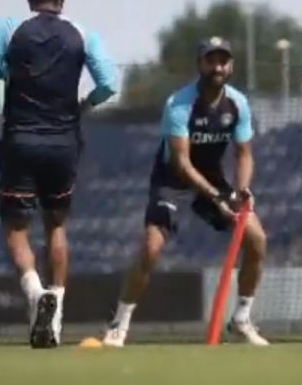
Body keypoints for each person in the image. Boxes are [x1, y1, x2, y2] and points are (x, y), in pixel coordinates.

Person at [0, 0, 116, 348]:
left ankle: (37, 297)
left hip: (19, 141)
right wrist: (85, 105)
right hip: (65, 143)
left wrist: (9, 70)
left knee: (16, 229)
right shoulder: (83, 34)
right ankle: (58, 310)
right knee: (56, 225)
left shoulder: (8, 29)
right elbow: (110, 84)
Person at [102, 37, 269, 347]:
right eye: (210, 60)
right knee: (151, 249)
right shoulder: (179, 104)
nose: (217, 66)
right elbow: (181, 162)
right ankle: (119, 324)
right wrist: (216, 197)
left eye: (223, 60)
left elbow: (244, 154)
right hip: (172, 178)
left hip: (212, 177)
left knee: (257, 240)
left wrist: (241, 189)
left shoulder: (238, 103)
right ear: (200, 64)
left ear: (230, 66)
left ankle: (241, 320)